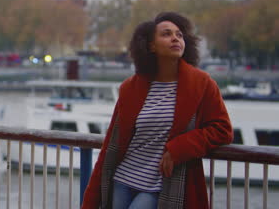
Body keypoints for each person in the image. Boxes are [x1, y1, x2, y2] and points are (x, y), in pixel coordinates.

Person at [82, 12, 233, 209]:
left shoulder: (202, 84)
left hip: (163, 184)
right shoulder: (131, 87)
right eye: (166, 34)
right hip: (123, 179)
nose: (175, 38)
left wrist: (179, 148)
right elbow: (112, 143)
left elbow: (223, 130)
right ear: (151, 46)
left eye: (179, 35)